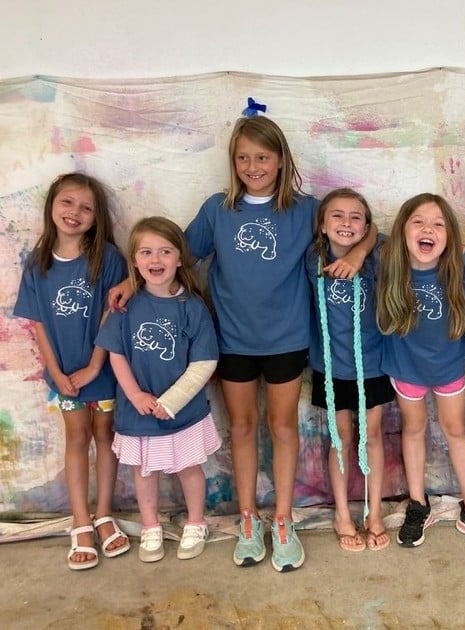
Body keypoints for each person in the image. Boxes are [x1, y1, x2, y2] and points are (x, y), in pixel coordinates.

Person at [110, 116, 373, 571]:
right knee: (244, 427)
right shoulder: (218, 209)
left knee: (283, 426)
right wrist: (131, 282)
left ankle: (284, 517)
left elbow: (368, 228)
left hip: (287, 339)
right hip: (230, 340)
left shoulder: (306, 209)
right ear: (234, 162)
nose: (254, 165)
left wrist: (357, 253)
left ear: (280, 160)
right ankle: (249, 518)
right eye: (244, 157)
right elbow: (174, 256)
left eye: (263, 157)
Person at [14, 172, 130, 570]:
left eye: (85, 207)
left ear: (97, 217)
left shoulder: (109, 259)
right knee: (77, 437)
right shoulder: (37, 262)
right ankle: (80, 521)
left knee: (105, 433)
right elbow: (38, 324)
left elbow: (110, 319)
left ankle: (103, 513)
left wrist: (94, 365)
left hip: (103, 369)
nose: (75, 212)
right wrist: (56, 371)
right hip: (63, 375)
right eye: (67, 202)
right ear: (51, 206)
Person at [377, 193, 465, 551]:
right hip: (405, 366)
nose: (428, 229)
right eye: (418, 221)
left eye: (438, 224)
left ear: (450, 236)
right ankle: (418, 504)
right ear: (402, 230)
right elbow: (364, 236)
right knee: (413, 429)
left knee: (455, 431)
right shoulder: (388, 260)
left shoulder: (462, 265)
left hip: (448, 365)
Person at [97, 217, 221, 563]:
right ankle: (150, 525)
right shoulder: (125, 306)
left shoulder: (192, 307)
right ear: (134, 260)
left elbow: (204, 363)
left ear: (180, 258)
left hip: (183, 411)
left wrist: (173, 402)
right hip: (138, 410)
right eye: (147, 252)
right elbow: (116, 353)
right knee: (144, 470)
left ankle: (196, 522)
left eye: (166, 252)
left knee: (189, 467)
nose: (156, 260)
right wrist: (136, 395)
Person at [306, 188, 392, 552]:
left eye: (355, 216)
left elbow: (386, 235)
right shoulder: (312, 259)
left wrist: (361, 251)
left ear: (367, 226)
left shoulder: (378, 256)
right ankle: (342, 513)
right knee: (339, 438)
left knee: (371, 435)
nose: (346, 222)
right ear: (323, 226)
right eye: (337, 216)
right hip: (330, 365)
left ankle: (374, 513)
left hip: (372, 362)